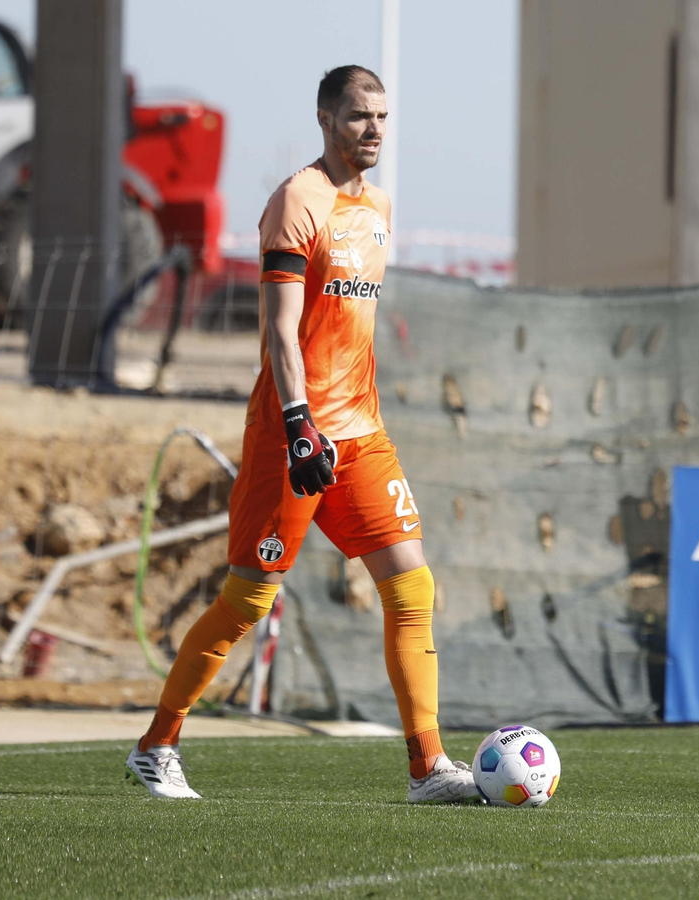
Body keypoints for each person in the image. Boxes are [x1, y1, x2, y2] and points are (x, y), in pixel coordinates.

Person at [124, 65, 476, 803]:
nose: (374, 129)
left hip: (362, 433)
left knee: (412, 584)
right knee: (247, 602)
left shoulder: (378, 207)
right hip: (295, 435)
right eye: (358, 117)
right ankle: (156, 745)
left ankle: (427, 766)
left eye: (382, 116)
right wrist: (297, 423)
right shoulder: (296, 202)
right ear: (325, 120)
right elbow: (281, 333)